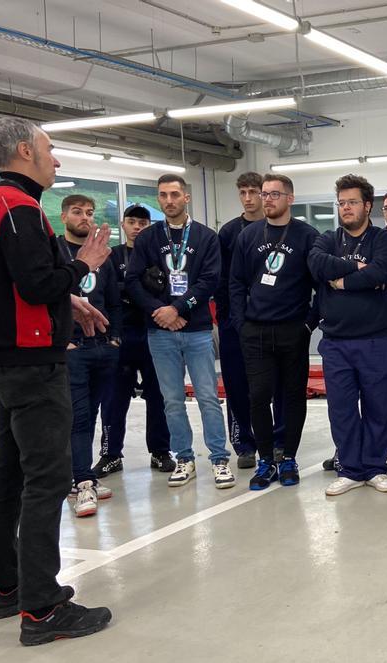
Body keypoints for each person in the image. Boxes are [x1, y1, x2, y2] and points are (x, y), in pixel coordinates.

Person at [0, 116, 111, 644]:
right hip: (31, 363)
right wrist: (82, 266)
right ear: (26, 150)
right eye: (51, 149)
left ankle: (6, 587)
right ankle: (42, 610)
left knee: (9, 473)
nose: (57, 160)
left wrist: (68, 301)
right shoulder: (17, 207)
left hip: (6, 358)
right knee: (48, 478)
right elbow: (35, 282)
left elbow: (21, 282)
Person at [126, 174, 234, 490]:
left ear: (186, 198)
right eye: (163, 195)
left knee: (208, 397)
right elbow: (133, 281)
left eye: (175, 194)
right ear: (158, 199)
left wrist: (179, 308)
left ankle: (219, 459)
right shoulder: (147, 239)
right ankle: (184, 458)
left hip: (197, 329)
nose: (169, 200)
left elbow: (210, 280)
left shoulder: (205, 236)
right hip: (159, 331)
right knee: (172, 399)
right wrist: (161, 312)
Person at [308, 174, 387, 496]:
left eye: (352, 202)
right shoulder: (326, 239)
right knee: (342, 409)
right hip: (335, 342)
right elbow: (316, 264)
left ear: (367, 205)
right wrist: (359, 271)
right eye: (341, 203)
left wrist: (343, 281)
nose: (345, 208)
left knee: (378, 407)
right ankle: (349, 468)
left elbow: (384, 271)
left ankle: (376, 467)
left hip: (377, 340)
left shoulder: (384, 240)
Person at [230, 172, 319, 490]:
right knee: (259, 396)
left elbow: (320, 285)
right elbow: (236, 283)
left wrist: (310, 323)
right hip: (256, 331)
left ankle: (289, 457)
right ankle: (266, 458)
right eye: (264, 194)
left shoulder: (307, 235)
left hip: (293, 330)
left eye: (273, 194)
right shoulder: (249, 235)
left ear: (290, 199)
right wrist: (241, 324)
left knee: (294, 397)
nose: (266, 199)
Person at [96, 205, 174, 476]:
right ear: (123, 224)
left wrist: (139, 290)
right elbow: (106, 292)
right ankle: (110, 453)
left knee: (158, 396)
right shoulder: (110, 256)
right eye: (132, 221)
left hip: (154, 331)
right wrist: (134, 287)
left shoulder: (159, 256)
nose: (137, 226)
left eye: (143, 222)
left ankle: (161, 451)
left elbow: (167, 290)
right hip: (121, 334)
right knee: (114, 399)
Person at [57, 195, 121, 518]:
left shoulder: (103, 256)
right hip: (72, 350)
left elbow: (114, 299)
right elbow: (49, 296)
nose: (85, 218)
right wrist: (63, 340)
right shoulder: (54, 253)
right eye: (78, 212)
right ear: (63, 215)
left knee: (93, 414)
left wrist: (115, 340)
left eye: (90, 213)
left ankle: (83, 475)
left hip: (102, 348)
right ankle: (83, 482)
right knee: (78, 416)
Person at [214, 172, 266, 468]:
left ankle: (275, 440)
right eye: (243, 192)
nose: (248, 198)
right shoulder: (229, 232)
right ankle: (244, 443)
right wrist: (227, 319)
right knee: (236, 383)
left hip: (272, 321)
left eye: (253, 192)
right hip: (236, 322)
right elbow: (221, 281)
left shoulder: (278, 228)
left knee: (272, 384)